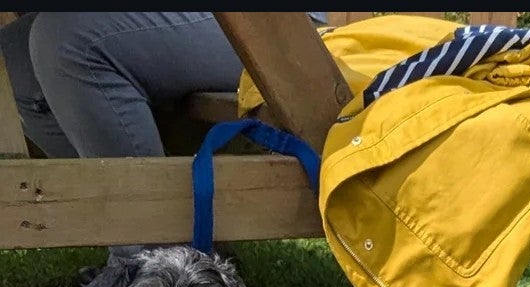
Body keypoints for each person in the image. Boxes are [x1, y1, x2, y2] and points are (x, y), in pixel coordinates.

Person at [0, 12, 327, 259]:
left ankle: (156, 264)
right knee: (13, 50)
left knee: (69, 40)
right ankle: (165, 243)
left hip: (278, 27)